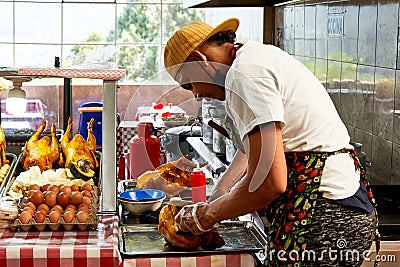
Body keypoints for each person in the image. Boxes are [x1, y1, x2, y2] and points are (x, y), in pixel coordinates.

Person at [163, 18, 379, 266]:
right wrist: (221, 191)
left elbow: (270, 182)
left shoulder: (243, 76)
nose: (197, 95)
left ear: (199, 59)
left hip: (322, 216)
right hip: (343, 207)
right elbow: (256, 151)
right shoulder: (254, 58)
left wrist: (207, 215)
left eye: (190, 84)